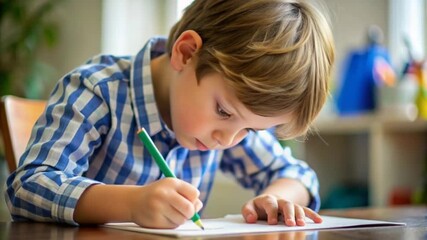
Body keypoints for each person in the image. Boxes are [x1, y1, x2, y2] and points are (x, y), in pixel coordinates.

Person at [6, 0, 334, 229]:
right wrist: (131, 205)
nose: (227, 140)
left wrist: (276, 199)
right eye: (223, 111)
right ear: (186, 52)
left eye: (249, 130)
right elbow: (29, 186)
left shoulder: (226, 126)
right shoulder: (98, 92)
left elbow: (298, 175)